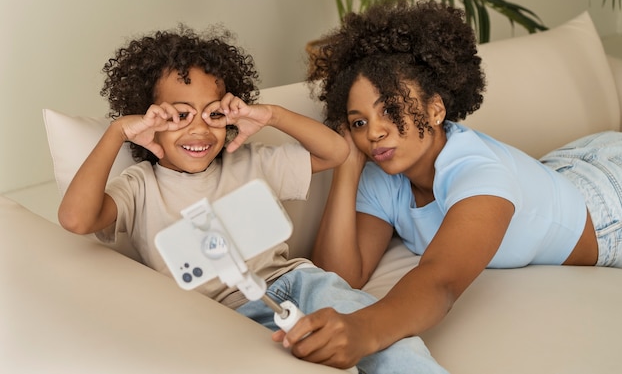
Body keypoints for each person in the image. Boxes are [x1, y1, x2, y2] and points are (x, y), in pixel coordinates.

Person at [58, 24, 449, 374]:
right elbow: (76, 219)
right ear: (150, 120)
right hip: (222, 319)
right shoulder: (139, 186)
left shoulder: (249, 162)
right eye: (179, 115)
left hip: (296, 284)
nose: (198, 129)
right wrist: (116, 134)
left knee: (387, 341)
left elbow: (336, 152)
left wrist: (272, 116)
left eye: (212, 114)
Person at [295, 0, 622, 365]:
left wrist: (364, 329)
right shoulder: (384, 177)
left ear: (436, 110)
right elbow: (339, 276)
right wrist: (346, 164)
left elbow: (441, 281)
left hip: (613, 203)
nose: (374, 132)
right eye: (358, 122)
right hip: (565, 166)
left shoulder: (479, 174)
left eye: (391, 109)